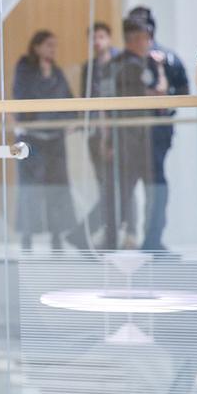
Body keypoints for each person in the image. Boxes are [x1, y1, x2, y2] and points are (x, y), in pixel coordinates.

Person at [126, 6, 189, 252]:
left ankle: (152, 240)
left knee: (156, 187)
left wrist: (164, 108)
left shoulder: (166, 57)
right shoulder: (125, 59)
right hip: (129, 136)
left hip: (157, 134)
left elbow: (183, 91)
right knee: (125, 188)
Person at [12, 30, 78, 250]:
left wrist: (70, 121)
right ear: (37, 46)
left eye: (54, 45)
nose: (52, 49)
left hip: (55, 139)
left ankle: (57, 235)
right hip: (32, 139)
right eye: (49, 45)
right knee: (30, 189)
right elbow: (22, 99)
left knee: (58, 188)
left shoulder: (57, 72)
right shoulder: (24, 69)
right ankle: (27, 236)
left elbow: (69, 100)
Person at [109, 18, 165, 250]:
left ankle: (133, 238)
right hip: (132, 142)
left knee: (130, 192)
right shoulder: (130, 65)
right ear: (135, 39)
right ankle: (134, 239)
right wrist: (161, 69)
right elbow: (158, 95)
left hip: (133, 141)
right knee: (142, 191)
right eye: (146, 37)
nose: (150, 42)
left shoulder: (129, 63)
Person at [78, 22, 120, 248]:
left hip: (118, 134)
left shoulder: (120, 63)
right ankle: (108, 236)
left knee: (117, 188)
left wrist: (110, 137)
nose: (97, 42)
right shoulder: (89, 67)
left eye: (101, 36)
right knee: (104, 185)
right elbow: (85, 99)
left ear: (110, 38)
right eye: (93, 38)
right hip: (95, 133)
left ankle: (110, 236)